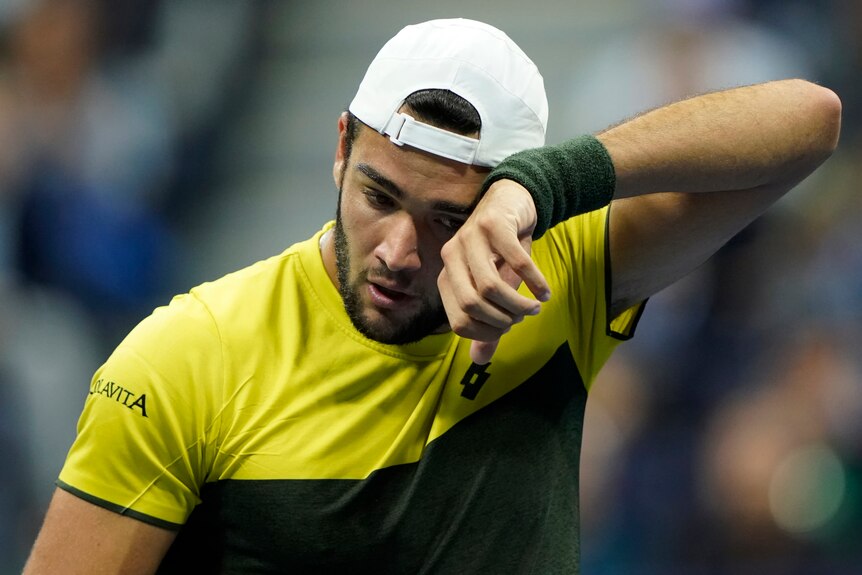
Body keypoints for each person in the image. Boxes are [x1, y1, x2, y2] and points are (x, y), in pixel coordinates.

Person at [22, 17, 841, 575]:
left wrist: (545, 189)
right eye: (380, 196)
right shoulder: (187, 355)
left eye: (450, 218)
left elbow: (810, 119)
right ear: (342, 147)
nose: (400, 252)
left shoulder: (561, 275)